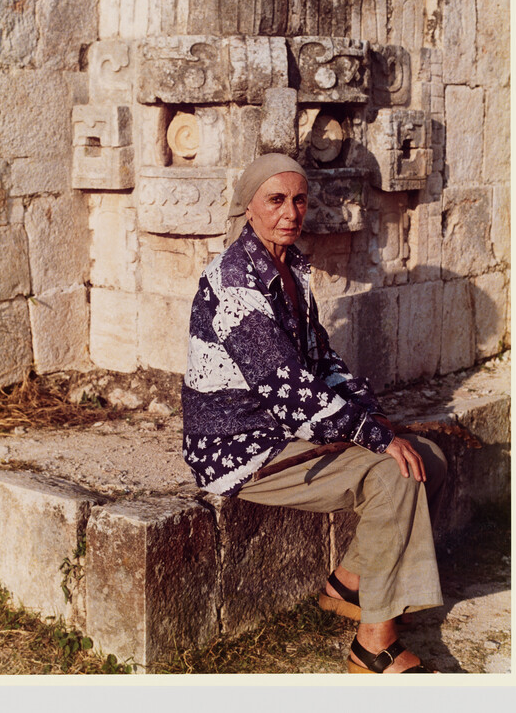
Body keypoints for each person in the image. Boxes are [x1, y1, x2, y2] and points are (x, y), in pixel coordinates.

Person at [181, 153, 447, 674]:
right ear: (249, 207)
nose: (291, 212)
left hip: (286, 431)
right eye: (276, 200)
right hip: (242, 448)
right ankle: (373, 644)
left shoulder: (291, 267)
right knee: (395, 473)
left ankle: (347, 583)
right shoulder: (234, 281)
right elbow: (286, 387)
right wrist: (369, 435)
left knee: (428, 458)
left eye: (299, 199)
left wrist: (371, 416)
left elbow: (320, 359)